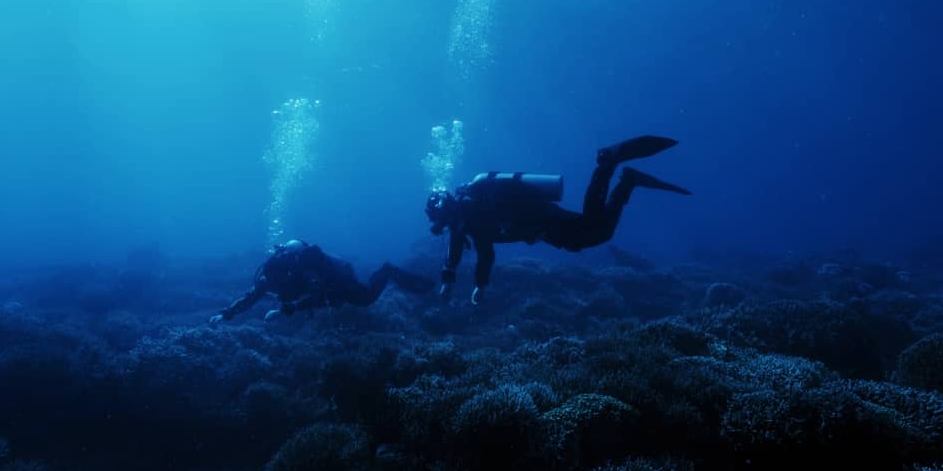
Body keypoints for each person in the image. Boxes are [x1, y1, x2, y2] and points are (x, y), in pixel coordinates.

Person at [424, 135, 690, 304]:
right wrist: (449, 279)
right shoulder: (465, 214)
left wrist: (480, 286)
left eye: (441, 223)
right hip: (542, 222)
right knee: (596, 232)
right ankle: (626, 180)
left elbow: (483, 252)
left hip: (544, 220)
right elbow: (456, 248)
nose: (443, 228)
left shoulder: (470, 217)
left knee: (593, 232)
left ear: (446, 214)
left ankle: (608, 165)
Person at [208, 239, 435, 323]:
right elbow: (250, 299)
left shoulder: (301, 270)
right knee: (344, 301)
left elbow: (317, 293)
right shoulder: (268, 278)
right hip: (321, 288)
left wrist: (289, 309)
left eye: (278, 282)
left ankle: (387, 271)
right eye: (271, 282)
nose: (273, 286)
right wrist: (226, 313)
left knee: (364, 299)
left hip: (337, 278)